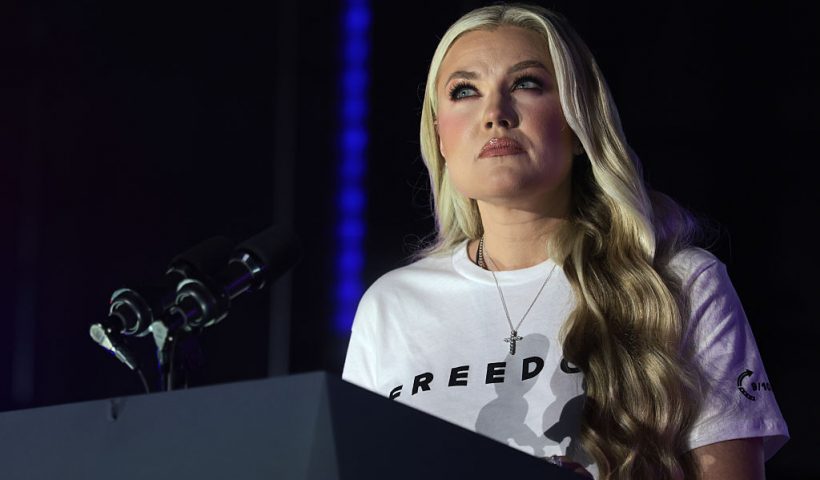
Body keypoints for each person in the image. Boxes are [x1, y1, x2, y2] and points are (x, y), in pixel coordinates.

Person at [342, 3, 789, 479]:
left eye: (527, 84)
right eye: (465, 91)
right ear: (441, 138)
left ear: (578, 123)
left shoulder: (677, 284)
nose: (495, 113)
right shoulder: (390, 306)